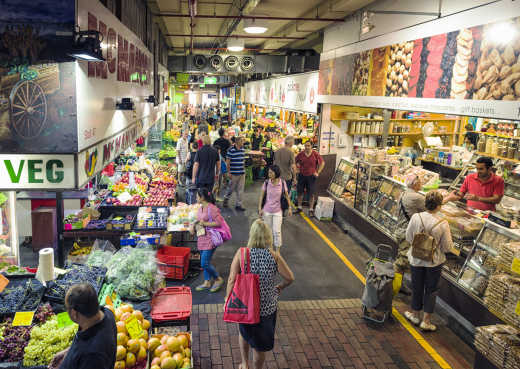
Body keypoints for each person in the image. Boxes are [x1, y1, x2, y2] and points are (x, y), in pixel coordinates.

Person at [225, 219, 295, 369]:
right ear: (268, 237)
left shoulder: (242, 253)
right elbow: (290, 277)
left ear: (252, 235)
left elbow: (231, 279)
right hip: (266, 309)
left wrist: (227, 298)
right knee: (260, 346)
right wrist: (280, 287)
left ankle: (244, 364)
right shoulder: (274, 256)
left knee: (244, 334)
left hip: (245, 305)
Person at [404, 191, 456, 332]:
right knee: (431, 290)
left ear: (425, 203)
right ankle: (426, 321)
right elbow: (447, 247)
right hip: (434, 262)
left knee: (417, 286)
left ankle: (415, 315)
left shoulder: (416, 217)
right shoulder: (443, 223)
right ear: (439, 206)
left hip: (416, 259)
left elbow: (408, 237)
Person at [49, 284, 116, 369]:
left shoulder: (92, 356)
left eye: (67, 309)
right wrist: (68, 352)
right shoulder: (107, 313)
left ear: (74, 313)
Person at [395, 174, 426, 294]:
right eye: (420, 182)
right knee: (402, 262)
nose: (421, 184)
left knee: (401, 258)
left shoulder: (404, 193)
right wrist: (449, 198)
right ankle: (392, 287)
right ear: (415, 184)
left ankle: (398, 284)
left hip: (400, 231)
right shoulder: (416, 197)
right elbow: (433, 206)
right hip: (407, 234)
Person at [190, 188, 225, 292]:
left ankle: (218, 279)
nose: (196, 197)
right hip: (201, 238)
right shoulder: (200, 208)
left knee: (204, 263)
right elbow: (199, 220)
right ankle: (207, 282)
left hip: (210, 239)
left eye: (197, 196)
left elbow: (219, 223)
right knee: (205, 261)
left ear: (202, 198)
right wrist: (193, 226)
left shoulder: (212, 208)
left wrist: (205, 224)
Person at [258, 165, 293, 254]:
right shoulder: (266, 182)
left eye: (271, 172)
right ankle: (270, 249)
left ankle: (277, 251)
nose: (269, 174)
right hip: (267, 211)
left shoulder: (282, 182)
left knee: (277, 231)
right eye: (268, 172)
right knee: (268, 231)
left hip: (278, 211)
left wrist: (289, 207)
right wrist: (260, 208)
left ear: (276, 173)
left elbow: (286, 195)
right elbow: (261, 196)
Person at [295, 141, 325, 216]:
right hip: (302, 175)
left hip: (311, 176)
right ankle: (299, 207)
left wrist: (318, 172)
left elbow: (322, 163)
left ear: (311, 146)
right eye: (305, 146)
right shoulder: (301, 154)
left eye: (308, 146)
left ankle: (311, 209)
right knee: (300, 192)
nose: (307, 147)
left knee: (311, 194)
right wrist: (297, 169)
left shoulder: (315, 154)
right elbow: (295, 162)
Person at [224, 136, 246, 211]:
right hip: (233, 173)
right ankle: (226, 198)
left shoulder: (243, 149)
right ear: (237, 142)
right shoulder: (231, 150)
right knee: (231, 188)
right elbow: (227, 162)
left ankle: (239, 204)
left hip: (241, 172)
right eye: (242, 141)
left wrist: (243, 169)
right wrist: (228, 172)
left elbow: (243, 160)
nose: (243, 143)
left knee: (240, 189)